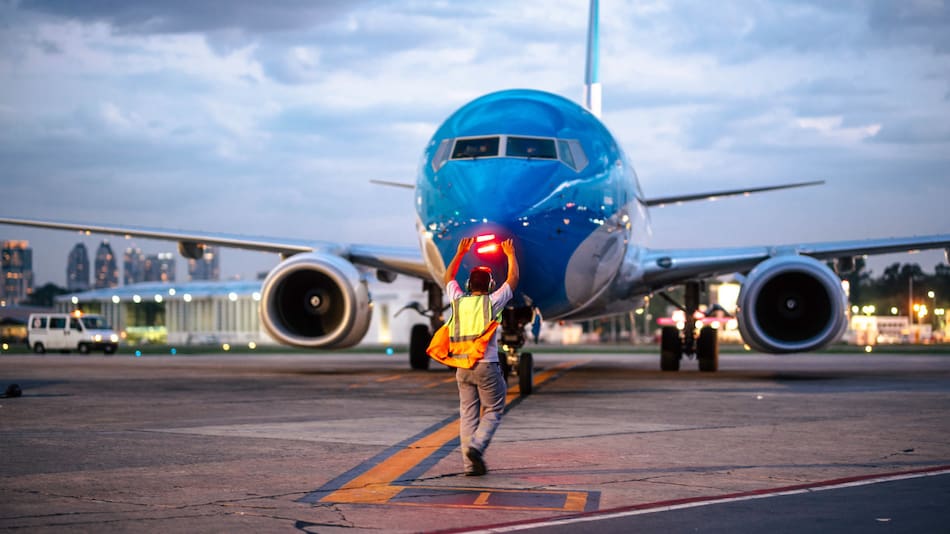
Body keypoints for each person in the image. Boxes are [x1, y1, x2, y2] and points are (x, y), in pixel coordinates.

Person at [442, 236, 519, 476]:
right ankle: (477, 446)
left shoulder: (457, 301)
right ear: (490, 285)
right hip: (486, 365)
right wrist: (510, 254)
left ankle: (469, 466)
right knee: (494, 409)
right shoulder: (492, 302)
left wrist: (460, 253)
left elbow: (448, 278)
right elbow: (513, 280)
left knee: (468, 415)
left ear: (468, 285)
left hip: (462, 367)